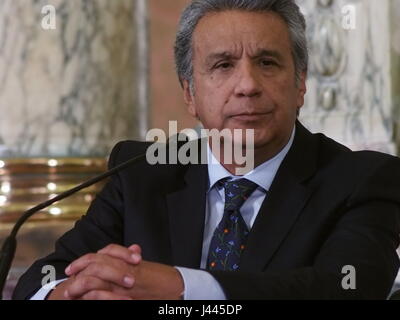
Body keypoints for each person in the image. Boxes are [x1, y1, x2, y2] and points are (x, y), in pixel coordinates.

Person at [13, 0, 400, 300]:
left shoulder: (361, 180)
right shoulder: (143, 172)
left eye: (267, 62)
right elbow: (45, 275)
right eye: (223, 65)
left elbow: (345, 289)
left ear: (300, 83)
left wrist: (183, 287)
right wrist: (71, 292)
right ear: (189, 93)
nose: (247, 85)